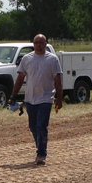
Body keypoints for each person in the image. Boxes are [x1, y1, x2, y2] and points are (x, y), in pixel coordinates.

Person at [11, 33, 63, 165]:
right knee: (33, 126)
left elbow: (57, 80)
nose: (39, 45)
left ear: (46, 44)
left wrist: (59, 98)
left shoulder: (52, 59)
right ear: (33, 44)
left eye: (41, 42)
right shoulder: (27, 59)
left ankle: (41, 154)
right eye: (36, 42)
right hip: (30, 99)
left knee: (41, 126)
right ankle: (40, 145)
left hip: (46, 98)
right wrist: (13, 95)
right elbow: (20, 78)